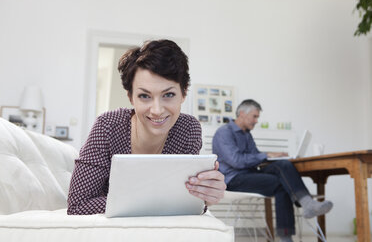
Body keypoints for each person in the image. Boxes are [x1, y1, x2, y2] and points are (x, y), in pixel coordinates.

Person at [67, 39, 226, 215]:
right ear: (130, 97)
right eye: (144, 96)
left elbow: (186, 203)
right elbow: (78, 205)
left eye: (169, 94)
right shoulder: (108, 126)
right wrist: (156, 200)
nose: (157, 110)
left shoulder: (188, 129)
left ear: (184, 93)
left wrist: (205, 195)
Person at [212, 99, 333, 242]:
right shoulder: (224, 133)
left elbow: (255, 157)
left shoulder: (246, 134)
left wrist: (275, 157)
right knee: (281, 184)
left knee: (284, 165)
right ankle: (288, 233)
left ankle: (307, 203)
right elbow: (236, 161)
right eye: (255, 116)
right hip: (233, 180)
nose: (256, 121)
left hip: (249, 174)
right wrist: (267, 154)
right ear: (242, 114)